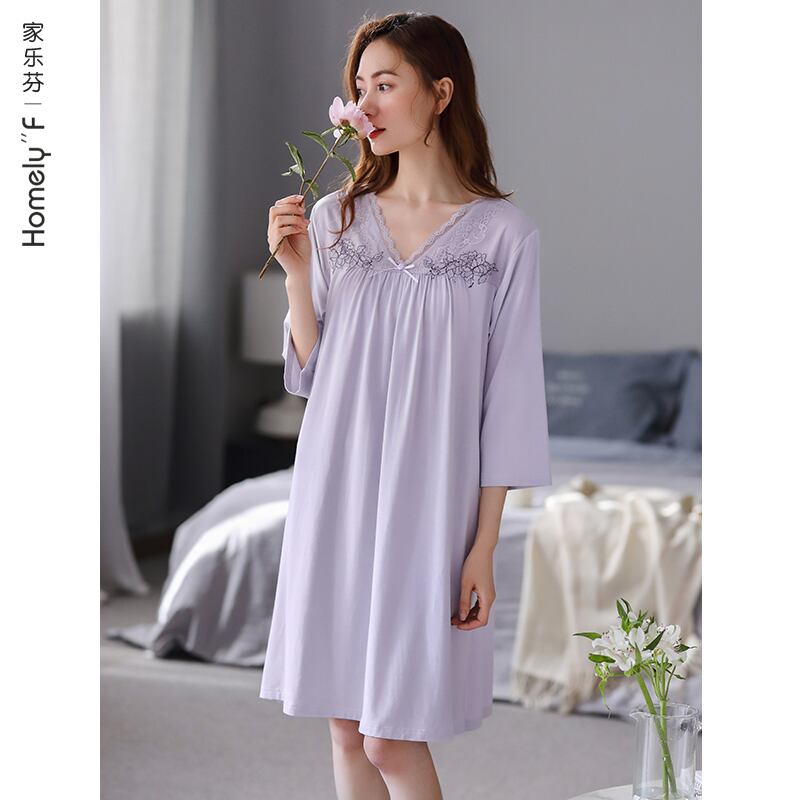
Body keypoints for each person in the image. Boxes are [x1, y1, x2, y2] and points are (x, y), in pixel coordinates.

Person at [260, 11, 551, 800]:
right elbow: (317, 376)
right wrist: (297, 277)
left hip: (432, 502)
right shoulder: (335, 218)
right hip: (338, 485)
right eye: (359, 88)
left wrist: (483, 545)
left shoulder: (504, 237)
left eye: (385, 85)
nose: (365, 107)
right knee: (346, 727)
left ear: (441, 93)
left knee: (391, 736)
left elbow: (510, 400)